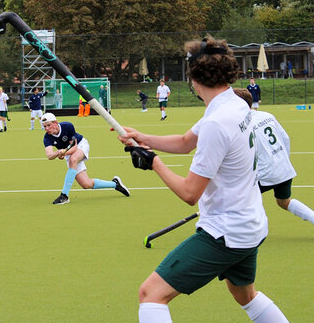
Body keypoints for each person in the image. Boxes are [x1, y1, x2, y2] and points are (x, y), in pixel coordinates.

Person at [119, 36, 288, 323]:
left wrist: (153, 162)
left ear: (193, 78)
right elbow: (186, 142)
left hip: (226, 232)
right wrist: (143, 138)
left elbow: (189, 193)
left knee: (151, 294)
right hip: (250, 225)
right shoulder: (234, 103)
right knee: (245, 295)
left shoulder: (216, 122)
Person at [234, 88, 314, 225]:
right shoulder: (267, 115)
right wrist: (283, 161)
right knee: (284, 202)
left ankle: (245, 231)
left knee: (237, 201)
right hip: (284, 168)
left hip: (265, 173)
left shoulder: (241, 125)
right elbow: (285, 139)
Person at [41, 113, 130, 205]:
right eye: (44, 126)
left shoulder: (67, 126)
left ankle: (64, 195)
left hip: (80, 145)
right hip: (67, 152)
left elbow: (74, 147)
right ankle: (115, 184)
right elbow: (49, 155)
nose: (47, 128)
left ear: (55, 122)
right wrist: (59, 152)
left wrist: (64, 152)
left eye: (49, 125)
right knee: (86, 184)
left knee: (73, 159)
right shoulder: (47, 138)